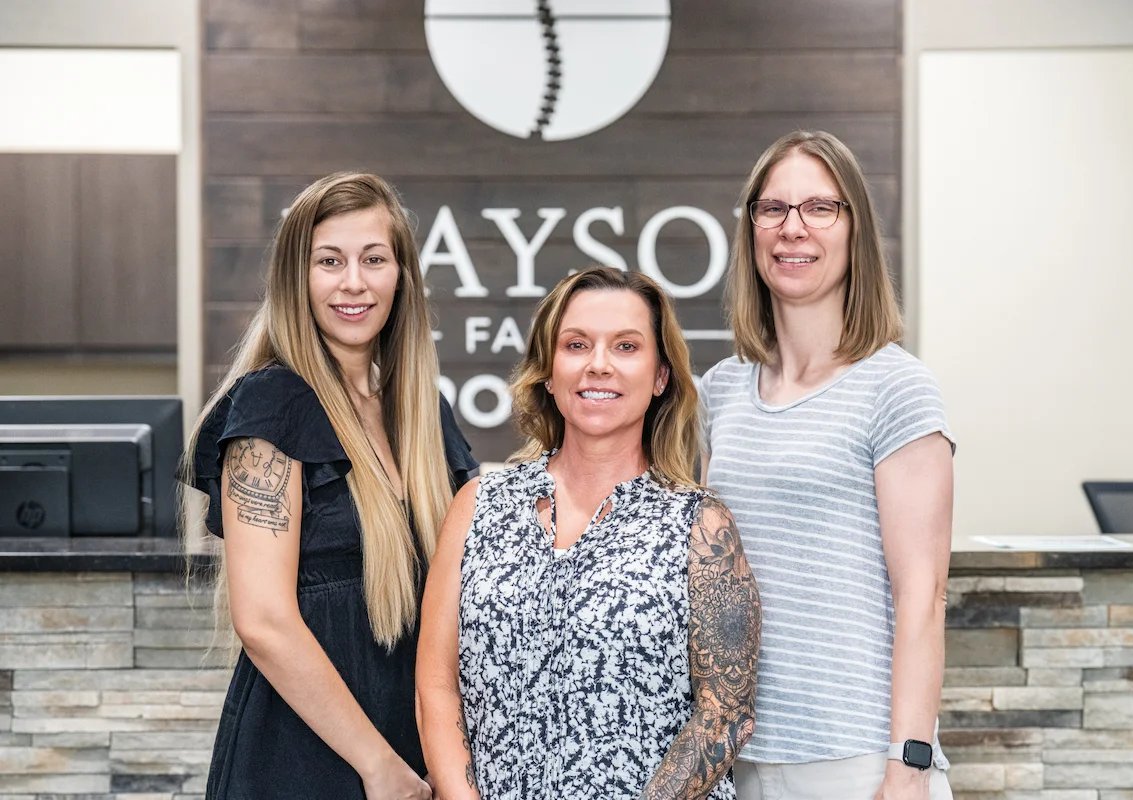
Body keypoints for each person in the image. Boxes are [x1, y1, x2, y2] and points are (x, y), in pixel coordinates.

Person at [178, 172, 477, 800]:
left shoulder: (423, 414)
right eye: (329, 261)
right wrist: (379, 765)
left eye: (373, 259)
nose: (353, 282)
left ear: (402, 275)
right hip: (306, 756)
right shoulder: (272, 405)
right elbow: (262, 619)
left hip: (414, 746)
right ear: (298, 278)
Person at [416, 266, 761, 799]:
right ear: (549, 373)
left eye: (626, 347)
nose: (598, 365)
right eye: (576, 345)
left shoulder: (699, 525)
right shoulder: (479, 505)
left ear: (661, 376)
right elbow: (436, 687)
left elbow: (726, 711)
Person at [699, 130, 955, 800]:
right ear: (751, 227)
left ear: (854, 230)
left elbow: (922, 597)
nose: (793, 229)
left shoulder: (895, 388)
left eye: (820, 208)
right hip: (743, 762)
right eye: (773, 209)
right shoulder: (719, 392)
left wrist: (909, 765)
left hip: (861, 760)